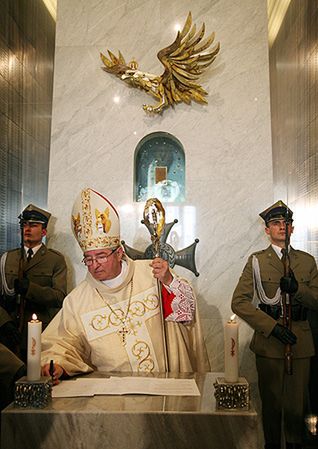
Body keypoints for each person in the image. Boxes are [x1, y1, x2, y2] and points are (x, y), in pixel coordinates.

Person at [41, 188, 210, 381]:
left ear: (119, 252)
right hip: (113, 398)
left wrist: (169, 281)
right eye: (88, 259)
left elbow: (187, 313)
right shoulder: (77, 300)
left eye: (101, 256)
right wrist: (57, 365)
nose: (94, 265)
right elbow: (62, 342)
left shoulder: (152, 273)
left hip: (165, 387)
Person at [231, 200, 318, 449]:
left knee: (296, 406)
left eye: (286, 223)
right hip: (270, 344)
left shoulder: (307, 261)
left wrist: (298, 289)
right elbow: (239, 302)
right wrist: (271, 326)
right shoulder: (257, 261)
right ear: (267, 230)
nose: (282, 227)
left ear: (292, 229)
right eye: (276, 223)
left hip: (300, 342)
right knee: (272, 406)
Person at [0, 204, 67, 361]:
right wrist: (4, 323)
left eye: (33, 225)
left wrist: (30, 289)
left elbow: (60, 297)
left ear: (44, 232)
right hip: (9, 333)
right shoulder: (7, 259)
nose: (27, 229)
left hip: (40, 334)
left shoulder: (55, 260)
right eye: (24, 225)